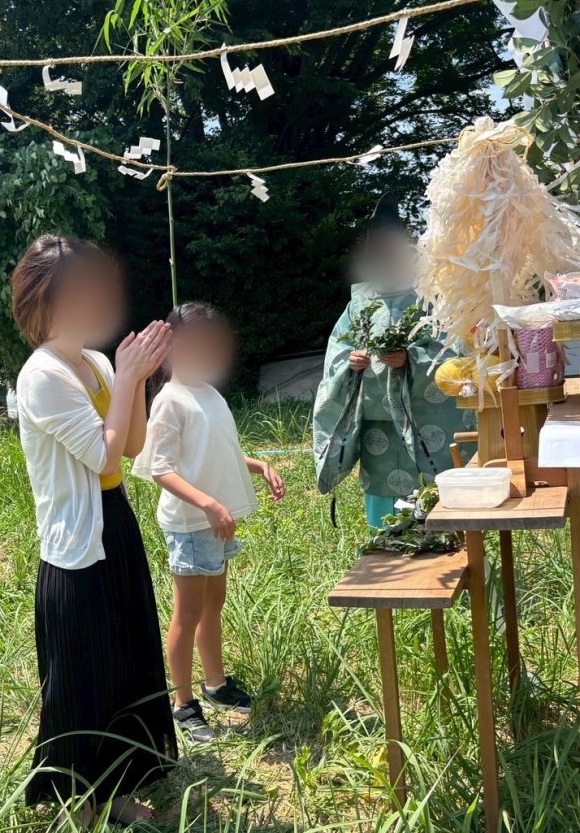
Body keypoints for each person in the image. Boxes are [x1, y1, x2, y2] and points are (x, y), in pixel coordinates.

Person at [13, 234, 178, 833]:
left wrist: (135, 380)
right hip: (76, 544)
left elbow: (131, 448)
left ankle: (117, 790)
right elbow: (102, 454)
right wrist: (130, 375)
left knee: (126, 663)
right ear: (42, 300)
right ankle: (77, 808)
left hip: (116, 523)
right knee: (82, 677)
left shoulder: (98, 363)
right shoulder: (43, 375)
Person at [132, 303, 285, 744]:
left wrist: (258, 466)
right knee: (188, 612)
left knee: (214, 603)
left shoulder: (210, 394)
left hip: (218, 521)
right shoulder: (169, 400)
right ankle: (182, 704)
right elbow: (160, 469)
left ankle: (215, 684)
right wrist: (209, 505)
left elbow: (217, 451)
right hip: (192, 524)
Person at [313, 197, 471, 527]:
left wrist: (411, 359)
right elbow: (337, 354)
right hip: (378, 426)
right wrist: (351, 363)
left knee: (436, 506)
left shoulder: (430, 297)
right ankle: (386, 546)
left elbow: (454, 352)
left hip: (425, 420)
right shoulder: (358, 304)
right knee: (385, 513)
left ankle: (443, 543)